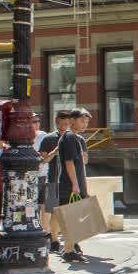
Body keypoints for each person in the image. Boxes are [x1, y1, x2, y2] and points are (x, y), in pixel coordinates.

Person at [57, 108, 91, 263]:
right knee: (72, 218)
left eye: (87, 121)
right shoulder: (70, 137)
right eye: (82, 120)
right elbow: (69, 162)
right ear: (72, 121)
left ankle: (70, 248)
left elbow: (81, 163)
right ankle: (69, 250)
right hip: (69, 185)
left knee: (75, 219)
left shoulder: (76, 138)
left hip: (75, 184)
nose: (85, 124)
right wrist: (75, 185)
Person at [35, 111, 70, 253]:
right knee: (54, 211)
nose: (63, 127)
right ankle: (54, 240)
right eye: (60, 124)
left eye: (66, 124)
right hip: (53, 179)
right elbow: (43, 160)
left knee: (69, 212)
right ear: (55, 122)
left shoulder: (73, 138)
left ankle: (71, 241)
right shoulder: (48, 139)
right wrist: (54, 152)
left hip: (69, 181)